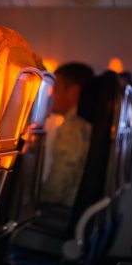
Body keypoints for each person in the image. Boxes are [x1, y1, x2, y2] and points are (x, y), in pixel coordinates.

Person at [40, 62, 94, 207]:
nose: (51, 95)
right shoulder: (87, 123)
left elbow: (58, 187)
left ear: (73, 92)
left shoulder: (73, 127)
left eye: (55, 89)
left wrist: (33, 197)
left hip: (63, 210)